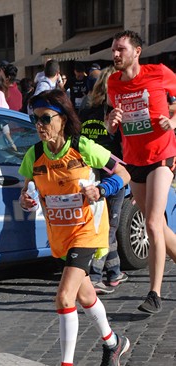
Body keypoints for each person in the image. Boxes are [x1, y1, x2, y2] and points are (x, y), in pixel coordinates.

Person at [19, 89, 131, 366]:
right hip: (60, 236)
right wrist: (26, 199)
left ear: (63, 119)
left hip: (88, 231)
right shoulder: (34, 155)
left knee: (64, 297)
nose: (39, 125)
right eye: (34, 119)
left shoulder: (83, 147)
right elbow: (26, 189)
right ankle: (113, 342)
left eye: (45, 118)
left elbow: (123, 172)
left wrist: (102, 189)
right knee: (84, 297)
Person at [106, 30, 176, 314]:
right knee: (158, 224)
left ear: (137, 51)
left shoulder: (158, 73)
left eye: (121, 49)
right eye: (113, 50)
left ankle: (154, 294)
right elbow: (112, 124)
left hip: (161, 155)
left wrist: (172, 121)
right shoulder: (112, 82)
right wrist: (112, 121)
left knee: (151, 223)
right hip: (133, 159)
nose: (115, 55)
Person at [79, 66, 128, 294]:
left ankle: (114, 272)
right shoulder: (113, 111)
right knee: (108, 226)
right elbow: (119, 143)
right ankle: (96, 276)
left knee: (105, 222)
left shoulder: (86, 107)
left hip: (91, 170)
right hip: (112, 173)